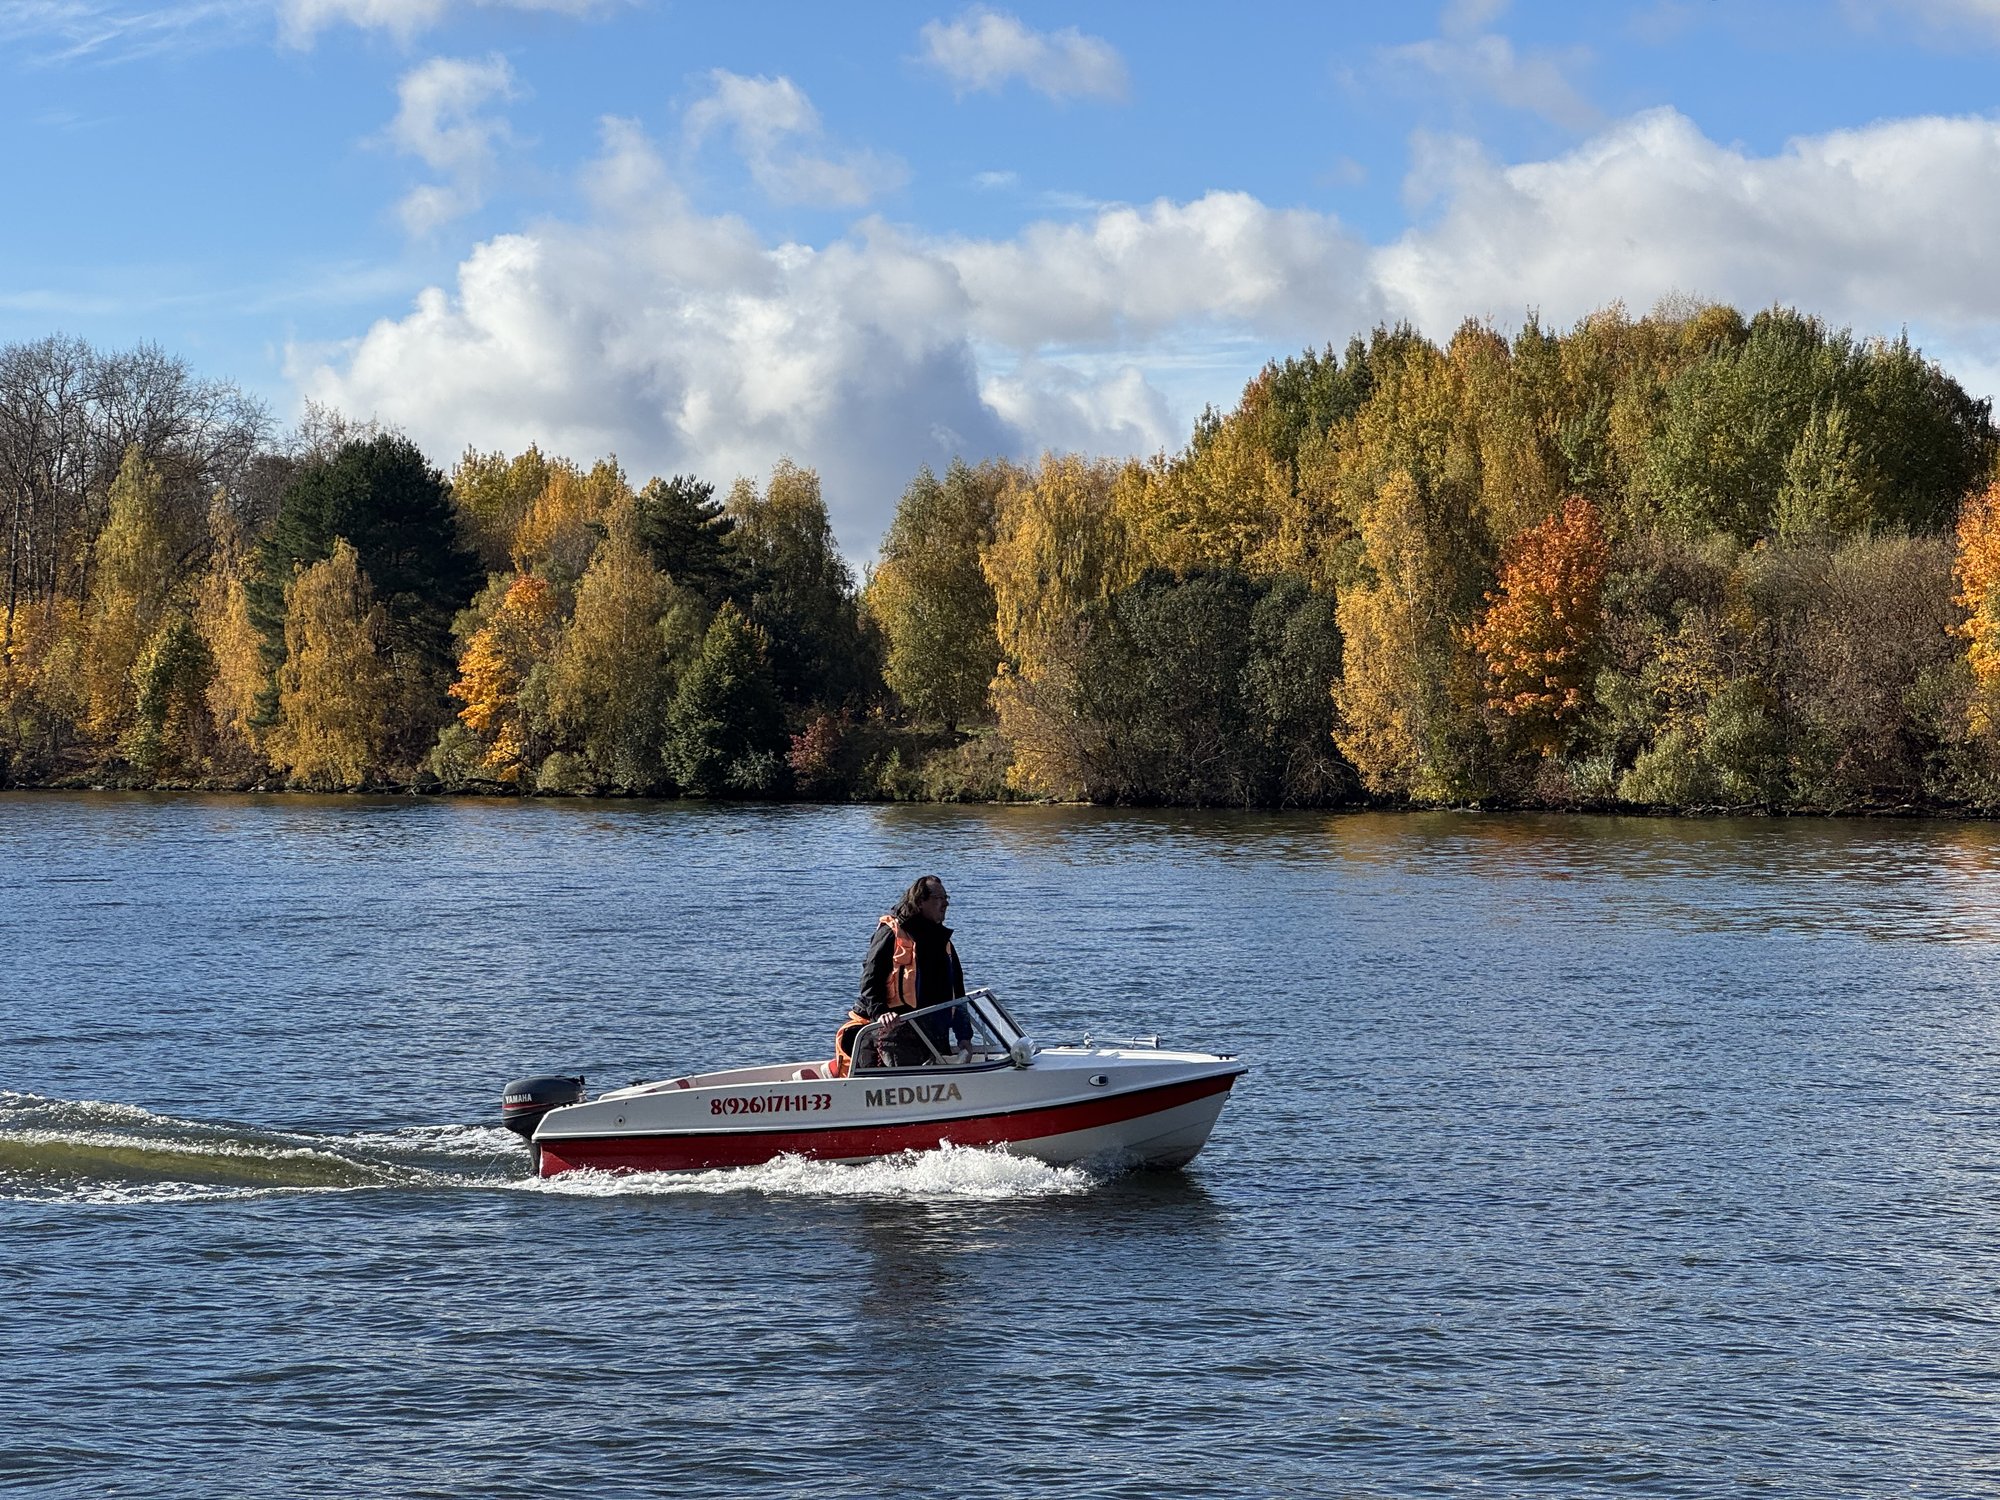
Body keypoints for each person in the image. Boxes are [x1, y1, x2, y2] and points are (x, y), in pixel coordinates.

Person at [830, 875, 969, 1075]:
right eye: (939, 897)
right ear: (921, 902)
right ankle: (837, 1071)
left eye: (947, 897)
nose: (946, 903)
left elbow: (958, 992)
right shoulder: (891, 933)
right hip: (893, 1032)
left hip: (929, 1032)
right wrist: (880, 1012)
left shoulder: (943, 941)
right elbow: (870, 980)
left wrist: (965, 1036)